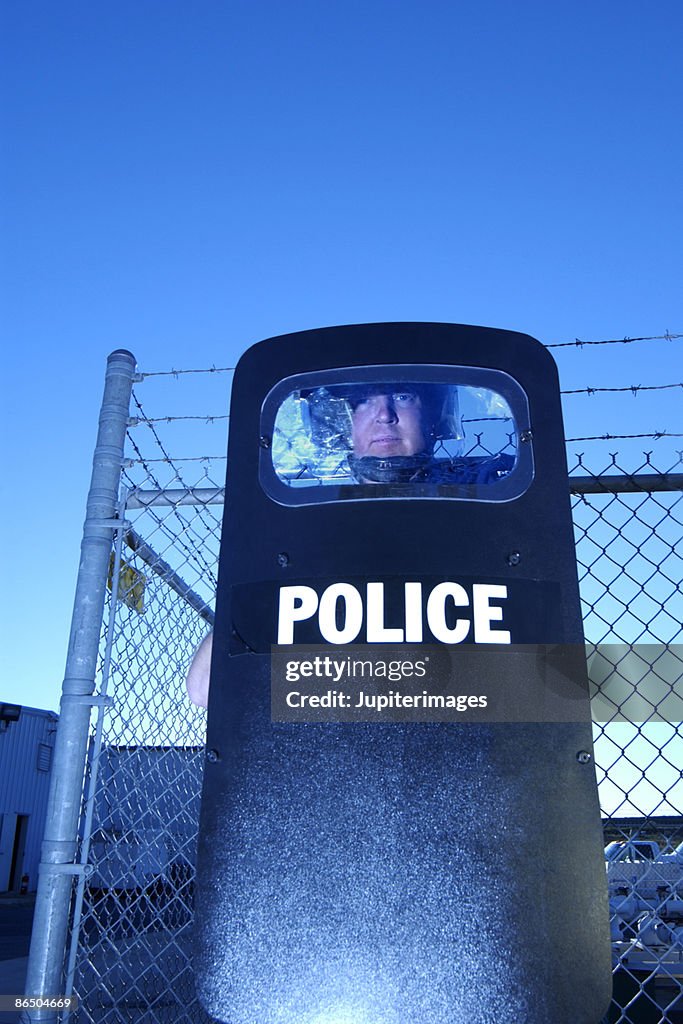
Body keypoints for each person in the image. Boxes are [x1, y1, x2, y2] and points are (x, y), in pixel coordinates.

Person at [186, 381, 513, 706]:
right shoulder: (306, 535)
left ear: (432, 416)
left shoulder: (486, 503)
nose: (385, 415)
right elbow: (205, 687)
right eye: (364, 402)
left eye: (402, 396)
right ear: (343, 423)